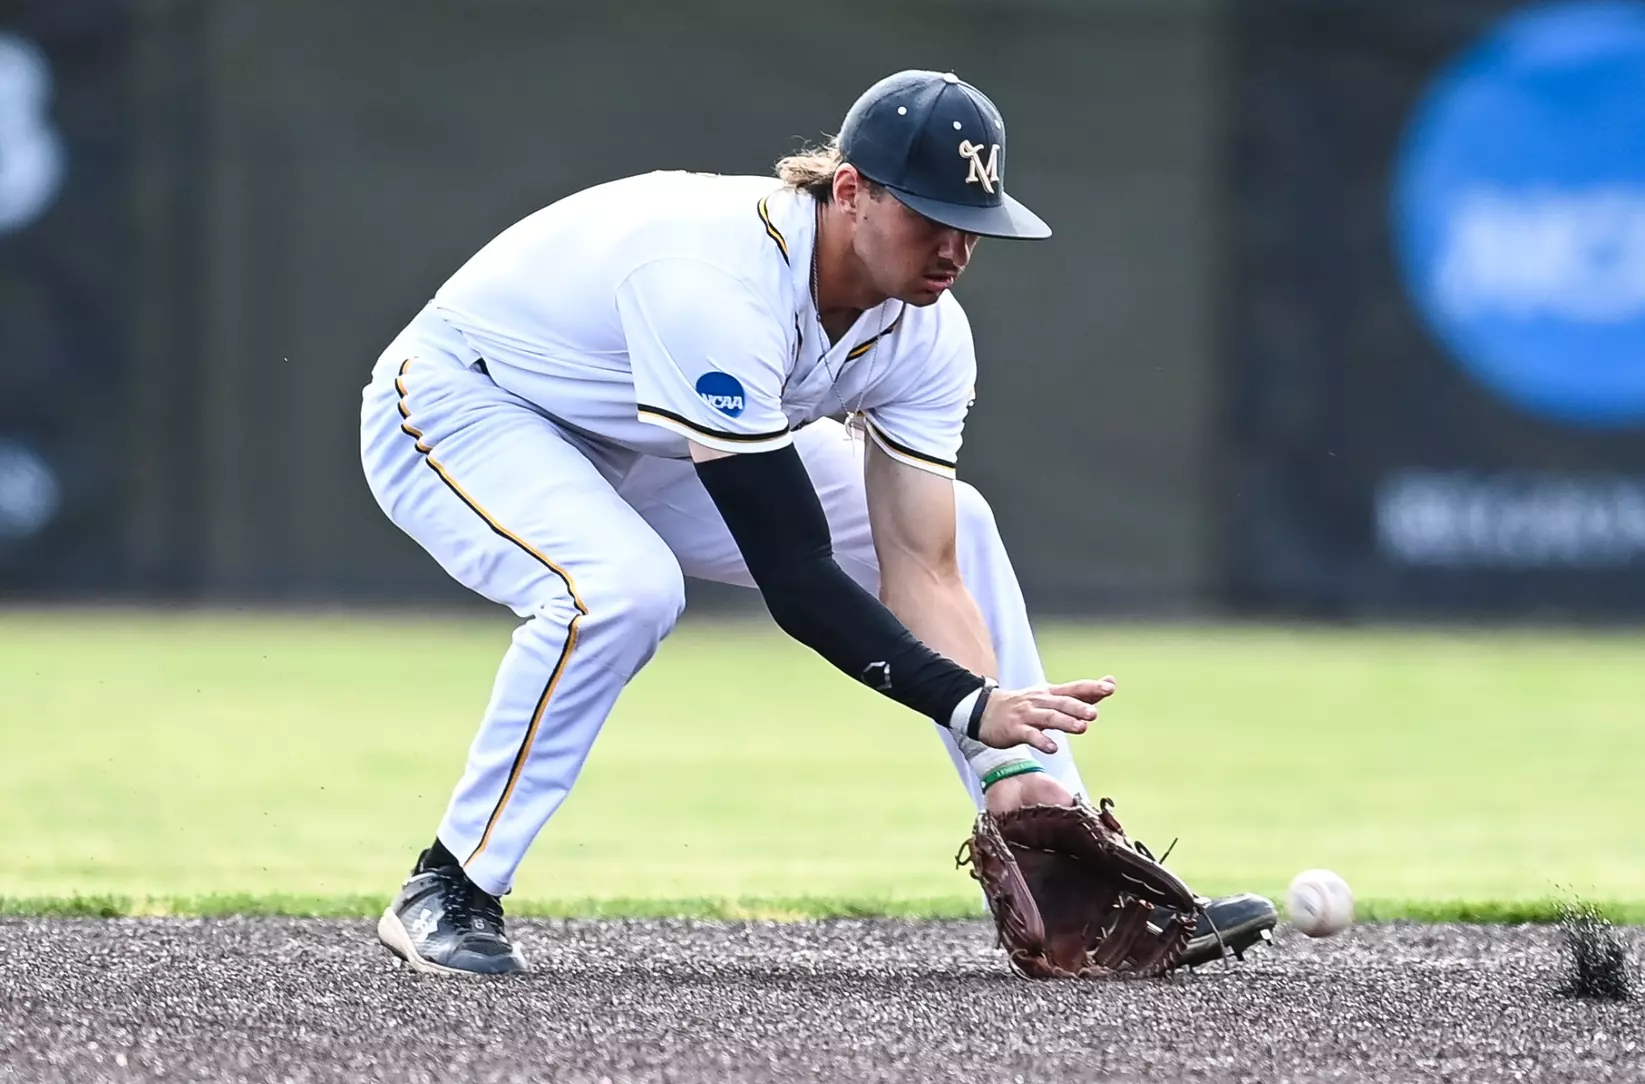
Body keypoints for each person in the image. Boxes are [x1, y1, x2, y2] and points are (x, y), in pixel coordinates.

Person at [359, 69, 1276, 976]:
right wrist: (968, 702)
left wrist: (1005, 758)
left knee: (963, 521)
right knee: (617, 593)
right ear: (850, 191)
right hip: (467, 403)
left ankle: (1055, 842)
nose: (954, 249)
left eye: (974, 227)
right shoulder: (713, 282)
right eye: (929, 217)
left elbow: (921, 564)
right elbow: (795, 573)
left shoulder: (925, 332)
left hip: (647, 437)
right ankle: (449, 885)